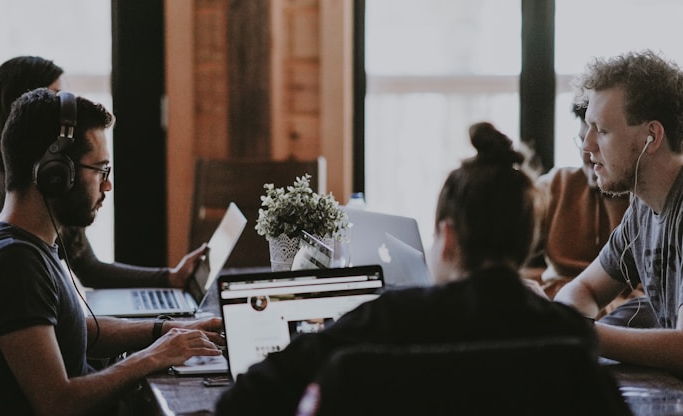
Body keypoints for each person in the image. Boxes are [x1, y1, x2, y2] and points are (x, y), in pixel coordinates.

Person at [215, 122, 598, 414]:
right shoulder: (569, 336)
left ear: (447, 239)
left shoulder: (387, 320)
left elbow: (242, 400)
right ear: (527, 240)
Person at [0, 88, 225, 415]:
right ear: (54, 174)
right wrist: (153, 357)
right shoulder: (15, 264)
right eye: (101, 170)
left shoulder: (13, 238)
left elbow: (80, 328)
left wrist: (166, 330)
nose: (107, 186)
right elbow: (57, 403)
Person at [0, 55, 205, 290]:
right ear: (25, 105)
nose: (68, 112)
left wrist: (171, 277)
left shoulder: (60, 179)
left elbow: (90, 269)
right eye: (55, 97)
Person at [553, 49, 683, 375]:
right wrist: (567, 324)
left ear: (651, 137)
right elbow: (583, 289)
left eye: (603, 130)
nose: (587, 147)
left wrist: (579, 333)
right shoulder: (642, 207)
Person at [525, 99, 657, 328]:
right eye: (582, 140)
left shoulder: (645, 204)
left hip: (621, 314)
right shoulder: (556, 185)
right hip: (567, 303)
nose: (586, 152)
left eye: (601, 137)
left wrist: (578, 326)